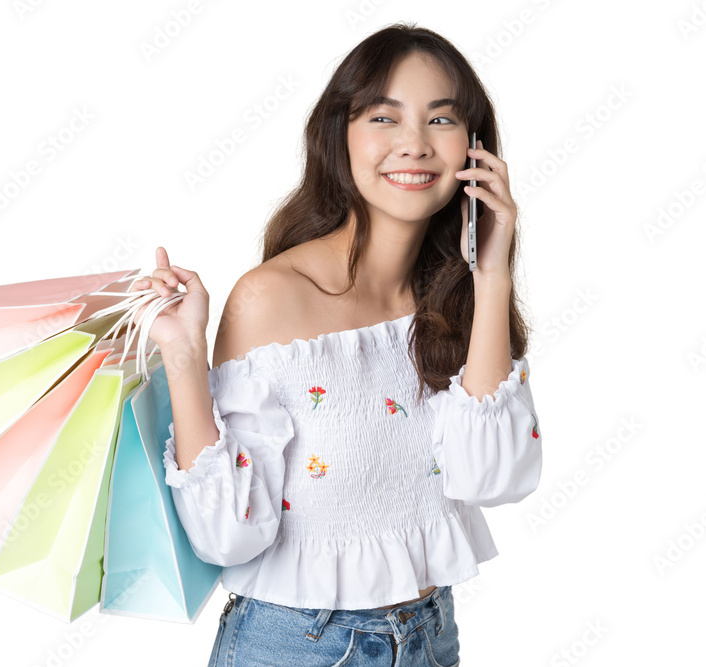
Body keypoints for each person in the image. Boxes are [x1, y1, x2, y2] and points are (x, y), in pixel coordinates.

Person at [131, 22, 543, 667]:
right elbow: (227, 537)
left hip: (431, 636)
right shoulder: (274, 297)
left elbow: (492, 477)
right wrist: (184, 357)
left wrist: (491, 274)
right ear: (339, 137)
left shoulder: (455, 301)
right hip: (298, 643)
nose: (413, 144)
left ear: (474, 148)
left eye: (441, 120)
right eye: (384, 116)